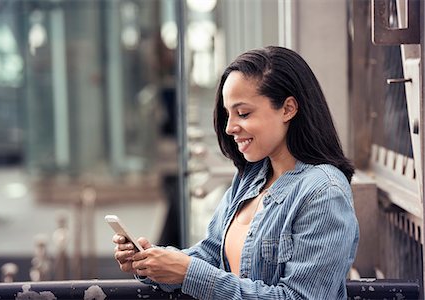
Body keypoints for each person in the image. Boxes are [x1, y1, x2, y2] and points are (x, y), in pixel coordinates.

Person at [112, 46, 359, 299]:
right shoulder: (250, 178)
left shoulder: (324, 192)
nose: (230, 127)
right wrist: (152, 260)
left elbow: (301, 297)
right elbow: (211, 254)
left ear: (288, 109)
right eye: (227, 114)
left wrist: (188, 273)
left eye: (243, 113)